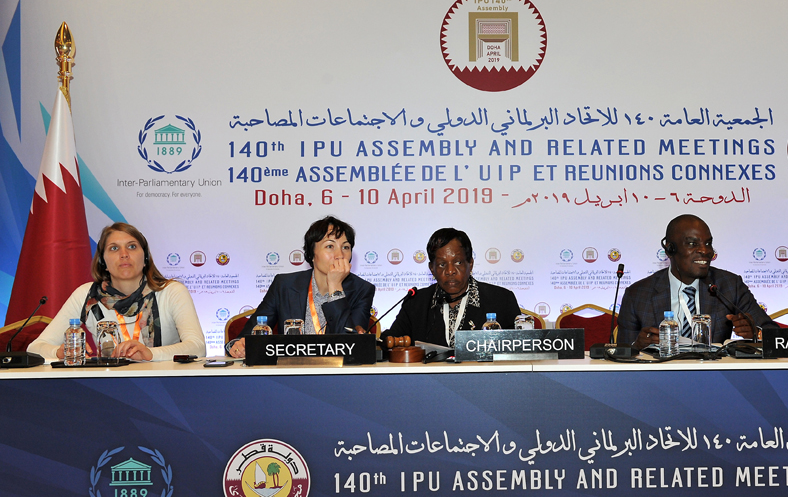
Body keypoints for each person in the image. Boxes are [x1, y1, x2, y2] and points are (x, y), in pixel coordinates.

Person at [27, 223, 205, 361]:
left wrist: (150, 354)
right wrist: (58, 351)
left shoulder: (170, 292)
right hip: (109, 388)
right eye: (114, 248)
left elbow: (197, 347)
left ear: (145, 258)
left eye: (132, 247)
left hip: (168, 387)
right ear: (102, 260)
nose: (124, 254)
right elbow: (35, 348)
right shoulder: (87, 296)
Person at [618, 214, 776, 349]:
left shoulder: (729, 285)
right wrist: (637, 345)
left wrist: (757, 333)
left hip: (715, 378)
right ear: (670, 249)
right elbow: (622, 353)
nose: (705, 251)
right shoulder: (638, 294)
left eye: (708, 243)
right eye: (692, 244)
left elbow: (775, 335)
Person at [227, 216, 375, 357]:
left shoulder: (362, 290)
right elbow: (248, 334)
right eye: (330, 246)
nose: (339, 255)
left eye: (346, 247)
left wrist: (335, 287)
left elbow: (352, 347)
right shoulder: (284, 285)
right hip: (289, 372)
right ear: (312, 253)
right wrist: (238, 346)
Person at [384, 228, 521, 347]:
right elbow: (391, 340)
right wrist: (372, 340)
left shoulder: (501, 300)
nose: (450, 271)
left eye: (458, 262)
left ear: (470, 264)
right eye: (442, 264)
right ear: (432, 268)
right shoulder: (416, 303)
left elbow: (520, 346)